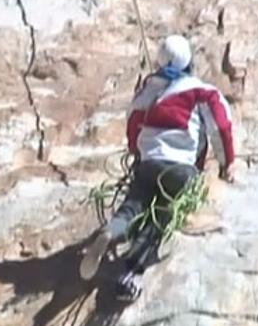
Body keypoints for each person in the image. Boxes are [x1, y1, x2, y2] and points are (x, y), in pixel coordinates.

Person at [79, 34, 236, 302]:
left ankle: (111, 230)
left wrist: (138, 152)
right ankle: (130, 273)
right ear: (190, 62)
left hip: (148, 162)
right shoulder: (202, 92)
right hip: (181, 168)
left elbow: (133, 124)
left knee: (133, 205)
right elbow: (220, 127)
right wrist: (227, 163)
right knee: (162, 215)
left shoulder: (149, 91)